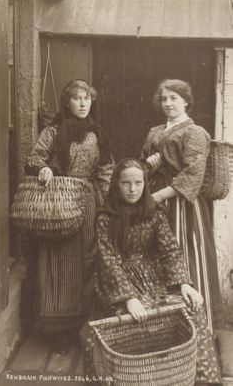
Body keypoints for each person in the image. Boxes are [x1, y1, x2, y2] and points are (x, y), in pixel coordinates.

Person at [84, 159, 222, 384]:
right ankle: (147, 376)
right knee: (139, 318)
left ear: (145, 184)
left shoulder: (154, 212)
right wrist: (129, 298)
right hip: (117, 280)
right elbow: (109, 260)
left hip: (152, 276)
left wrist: (184, 283)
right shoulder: (106, 217)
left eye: (138, 183)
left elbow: (169, 249)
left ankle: (199, 378)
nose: (132, 189)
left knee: (191, 310)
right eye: (126, 183)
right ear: (116, 184)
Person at [23, 79, 114, 353]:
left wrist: (100, 198)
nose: (83, 103)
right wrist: (45, 169)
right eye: (77, 98)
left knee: (84, 263)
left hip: (86, 204)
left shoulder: (98, 133)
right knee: (55, 265)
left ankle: (79, 326)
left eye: (87, 98)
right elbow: (34, 158)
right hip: (57, 203)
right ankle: (55, 330)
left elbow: (107, 167)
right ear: (67, 103)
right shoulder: (53, 131)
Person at [140, 79, 224, 334]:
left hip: (183, 205)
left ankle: (198, 330)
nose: (168, 103)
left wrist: (157, 197)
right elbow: (139, 167)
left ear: (186, 101)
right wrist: (149, 165)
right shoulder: (155, 131)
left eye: (174, 98)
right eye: (164, 99)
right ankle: (164, 329)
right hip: (154, 198)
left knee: (187, 255)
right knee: (155, 257)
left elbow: (192, 175)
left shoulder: (195, 132)